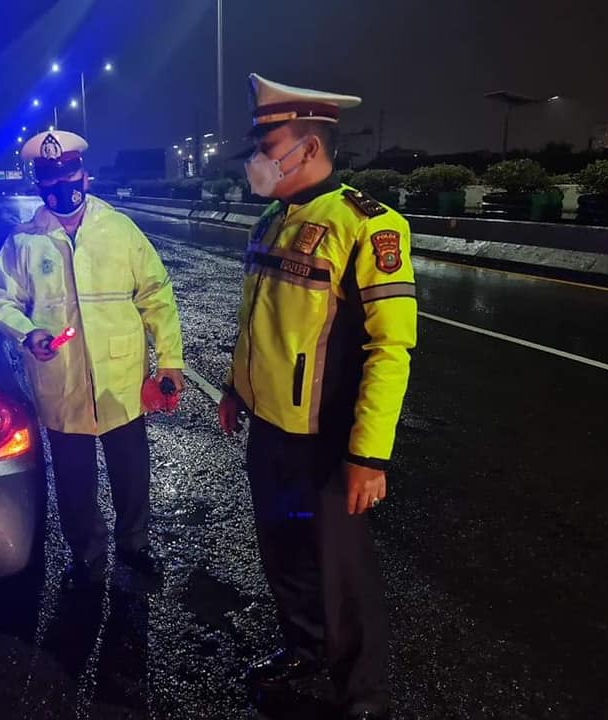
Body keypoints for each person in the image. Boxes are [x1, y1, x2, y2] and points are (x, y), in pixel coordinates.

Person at [218, 74, 418, 720]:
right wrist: (234, 390)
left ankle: (364, 699)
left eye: (266, 142)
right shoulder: (274, 220)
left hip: (330, 445)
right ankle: (303, 649)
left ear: (306, 147)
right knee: (283, 555)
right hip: (270, 435)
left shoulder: (365, 226)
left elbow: (390, 349)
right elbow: (258, 323)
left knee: (344, 580)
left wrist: (370, 456)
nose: (256, 157)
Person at [0, 130, 184, 587]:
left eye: (68, 174)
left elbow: (157, 295)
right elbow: (0, 302)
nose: (61, 185)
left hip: (121, 380)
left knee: (131, 475)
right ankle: (87, 555)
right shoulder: (24, 242)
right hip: (62, 382)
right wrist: (27, 331)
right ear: (39, 184)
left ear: (85, 175)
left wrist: (170, 359)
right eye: (50, 178)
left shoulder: (120, 230)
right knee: (74, 483)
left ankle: (134, 546)